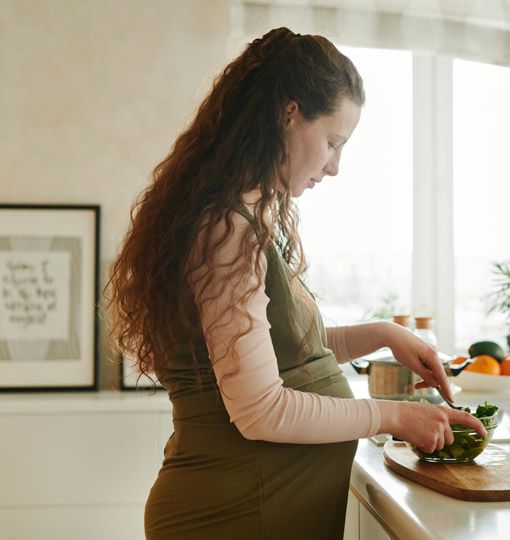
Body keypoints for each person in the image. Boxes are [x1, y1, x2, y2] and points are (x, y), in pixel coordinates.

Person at [106, 27, 484, 540]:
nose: (334, 167)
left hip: (257, 506)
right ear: (289, 115)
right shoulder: (227, 231)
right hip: (233, 516)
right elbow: (262, 409)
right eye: (332, 142)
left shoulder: (235, 217)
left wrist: (380, 335)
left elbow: (276, 355)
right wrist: (392, 416)